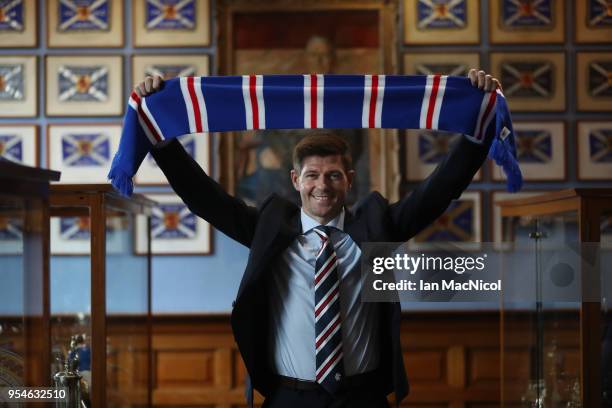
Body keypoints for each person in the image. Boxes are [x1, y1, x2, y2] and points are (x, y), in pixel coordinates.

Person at [136, 69, 501, 407]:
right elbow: (203, 197)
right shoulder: (269, 228)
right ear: (296, 180)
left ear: (349, 179)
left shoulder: (376, 227)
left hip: (364, 396)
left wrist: (477, 127)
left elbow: (438, 191)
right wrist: (161, 141)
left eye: (333, 175)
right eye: (312, 175)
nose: (321, 186)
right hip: (290, 396)